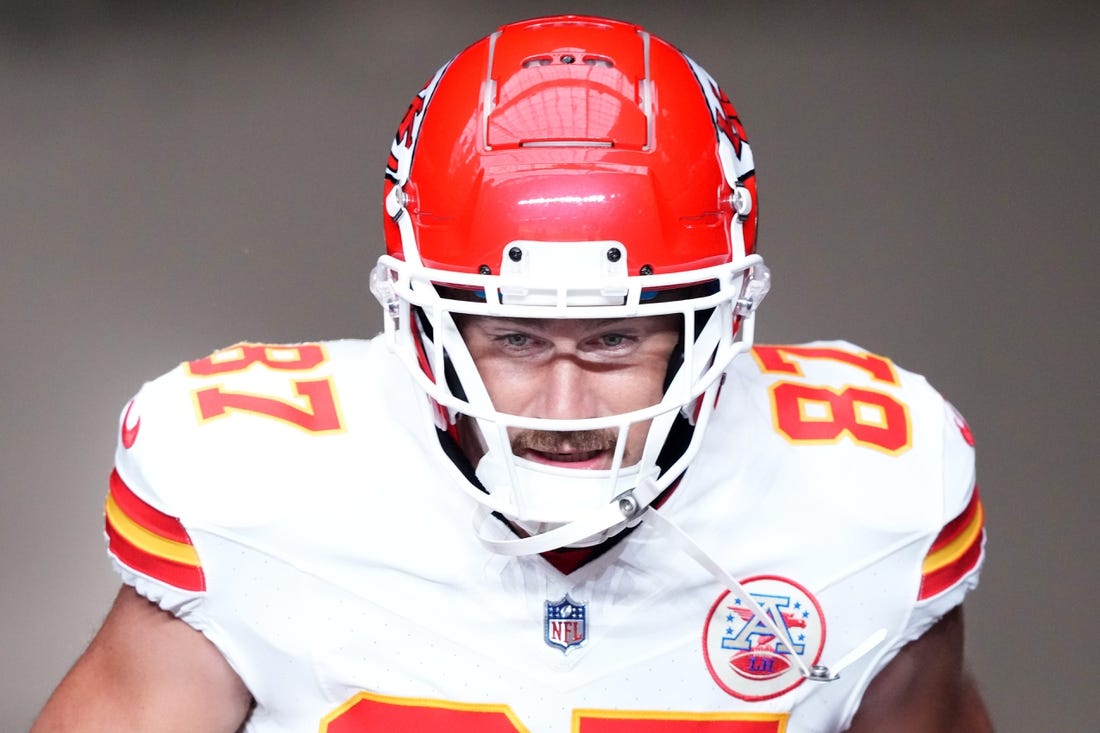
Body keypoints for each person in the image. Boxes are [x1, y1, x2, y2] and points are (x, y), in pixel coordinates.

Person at [31, 14, 992, 733]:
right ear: (420, 319)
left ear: (724, 319)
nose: (565, 408)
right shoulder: (251, 481)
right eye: (517, 341)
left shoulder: (871, 493)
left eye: (615, 341)